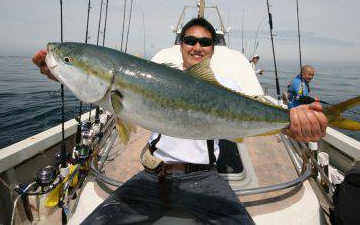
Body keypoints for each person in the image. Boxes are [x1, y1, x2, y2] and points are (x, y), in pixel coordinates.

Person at [32, 17, 328, 224]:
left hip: (204, 179)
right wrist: (59, 70)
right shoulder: (159, 71)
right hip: (154, 175)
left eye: (205, 42)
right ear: (181, 44)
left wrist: (294, 120)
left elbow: (260, 107)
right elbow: (93, 86)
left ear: (212, 48)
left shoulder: (225, 86)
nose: (197, 47)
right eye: (190, 40)